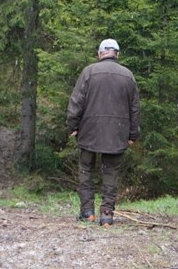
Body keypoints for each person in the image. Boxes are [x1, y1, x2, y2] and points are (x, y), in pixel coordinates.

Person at [66, 38, 141, 226]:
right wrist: (133, 134)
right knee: (111, 173)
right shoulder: (128, 75)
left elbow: (76, 101)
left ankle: (87, 212)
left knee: (86, 170)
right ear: (117, 54)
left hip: (89, 130)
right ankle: (107, 214)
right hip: (117, 132)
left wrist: (72, 125)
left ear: (100, 54)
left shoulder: (89, 72)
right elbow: (134, 108)